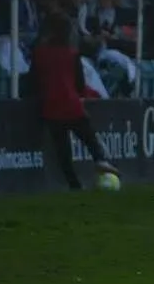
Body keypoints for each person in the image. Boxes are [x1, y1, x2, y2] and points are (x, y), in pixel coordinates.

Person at [30, 12, 119, 190]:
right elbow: (79, 84)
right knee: (88, 136)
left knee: (62, 149)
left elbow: (33, 80)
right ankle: (99, 159)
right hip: (71, 104)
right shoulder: (72, 54)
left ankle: (74, 183)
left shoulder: (39, 53)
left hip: (51, 107)